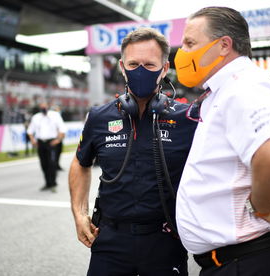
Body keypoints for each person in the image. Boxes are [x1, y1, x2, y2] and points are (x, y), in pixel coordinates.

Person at [174, 7, 270, 276]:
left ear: (224, 45)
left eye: (190, 43)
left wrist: (261, 207)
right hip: (240, 259)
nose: (183, 51)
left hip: (247, 260)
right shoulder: (227, 89)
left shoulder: (243, 87)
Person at [69, 28, 197, 276]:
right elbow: (80, 163)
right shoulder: (99, 117)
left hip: (165, 241)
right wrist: (79, 213)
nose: (140, 70)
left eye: (149, 64)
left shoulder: (187, 119)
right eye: (134, 63)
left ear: (164, 68)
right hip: (109, 241)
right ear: (121, 66)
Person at [27, 101, 66, 192]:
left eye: (44, 106)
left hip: (52, 143)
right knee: (43, 163)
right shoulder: (36, 117)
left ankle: (53, 183)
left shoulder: (55, 115)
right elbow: (30, 131)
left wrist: (58, 140)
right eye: (41, 106)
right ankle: (47, 183)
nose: (43, 108)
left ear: (48, 106)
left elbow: (62, 129)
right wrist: (33, 140)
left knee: (52, 163)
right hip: (41, 143)